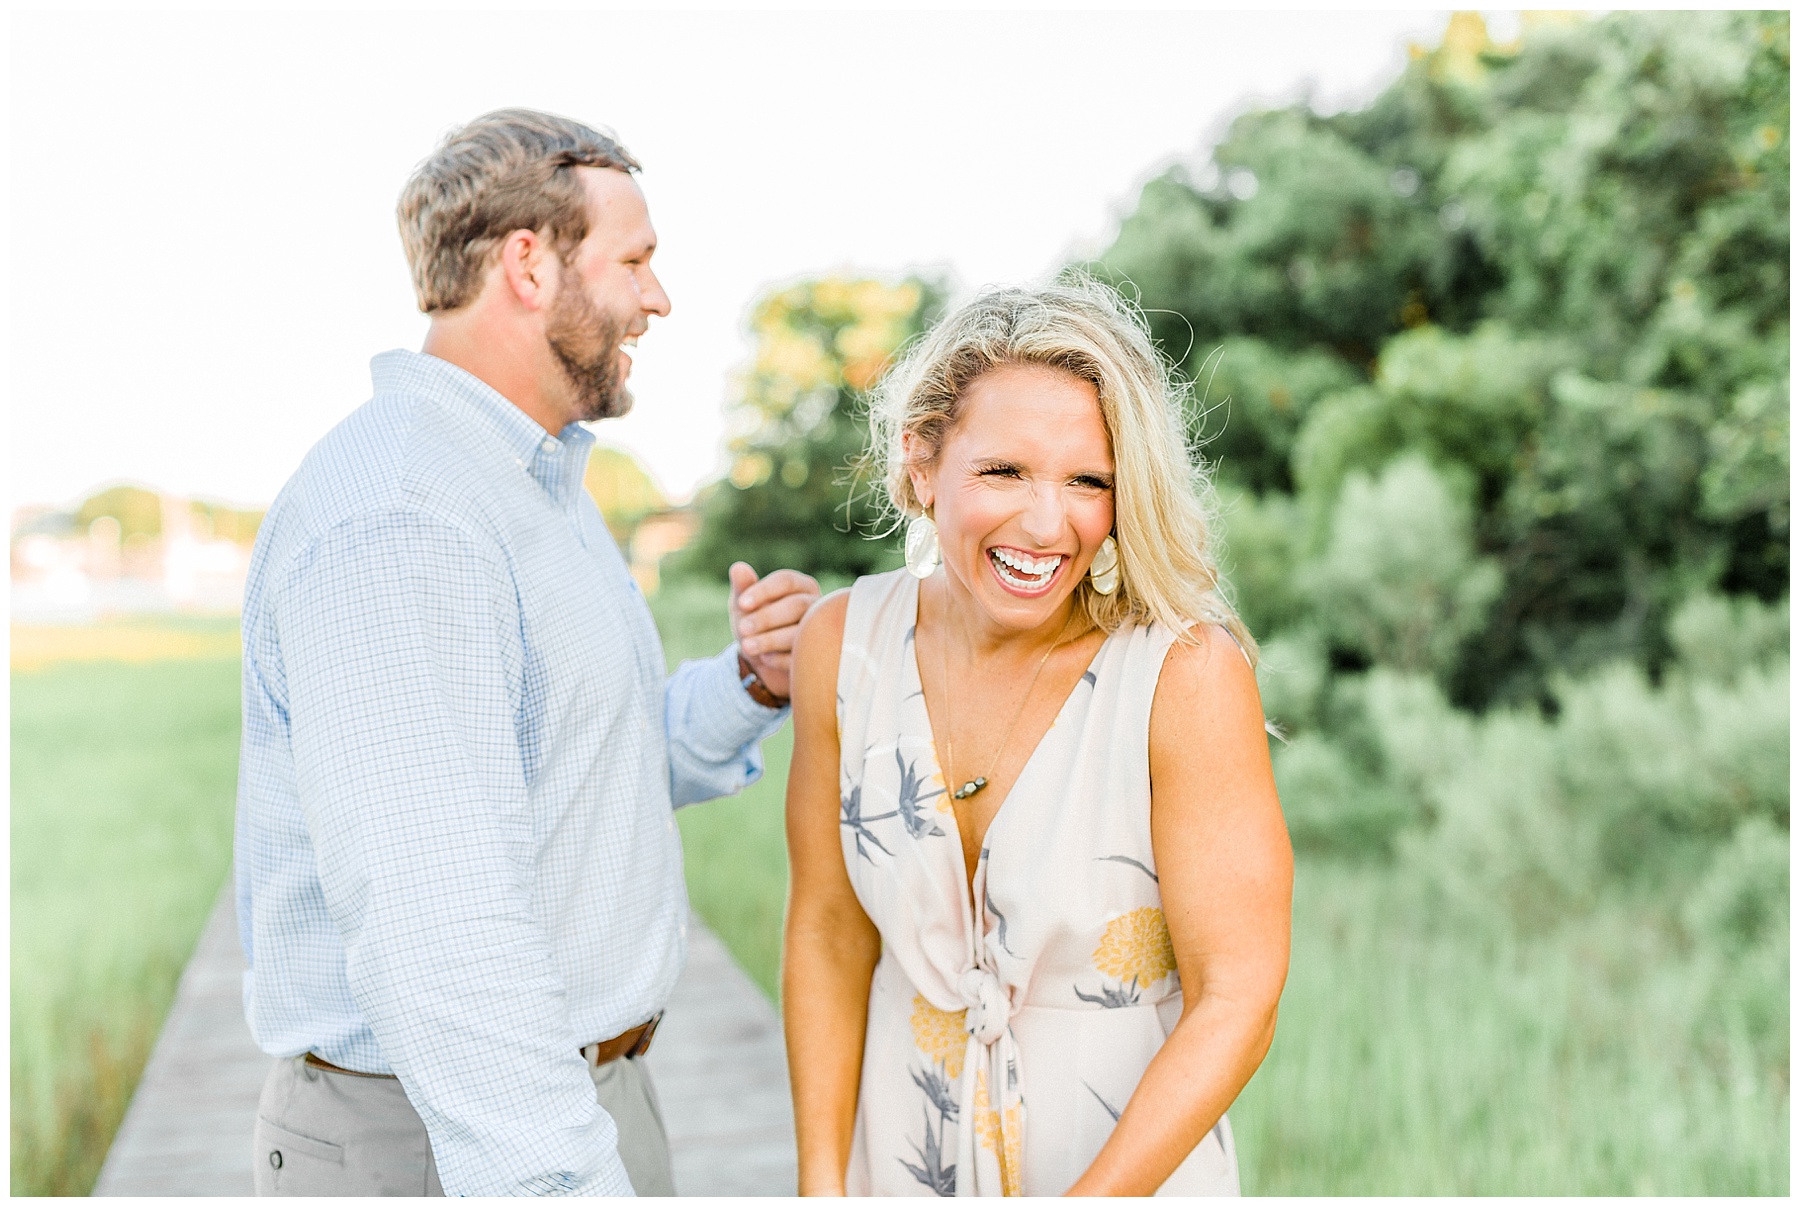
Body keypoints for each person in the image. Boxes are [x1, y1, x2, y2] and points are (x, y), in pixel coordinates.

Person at [236, 108, 819, 1196]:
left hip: (577, 1105)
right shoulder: (406, 518)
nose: (660, 297)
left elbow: (589, 764)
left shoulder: (533, 487)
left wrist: (746, 682)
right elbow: (438, 928)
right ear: (528, 263)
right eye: (636, 261)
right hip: (450, 1140)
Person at [781, 279, 1292, 1195]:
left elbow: (1238, 998)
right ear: (923, 462)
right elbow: (826, 930)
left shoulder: (1182, 674)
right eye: (1004, 471)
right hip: (901, 1163)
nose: (1048, 523)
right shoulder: (841, 644)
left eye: (1088, 480)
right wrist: (822, 1186)